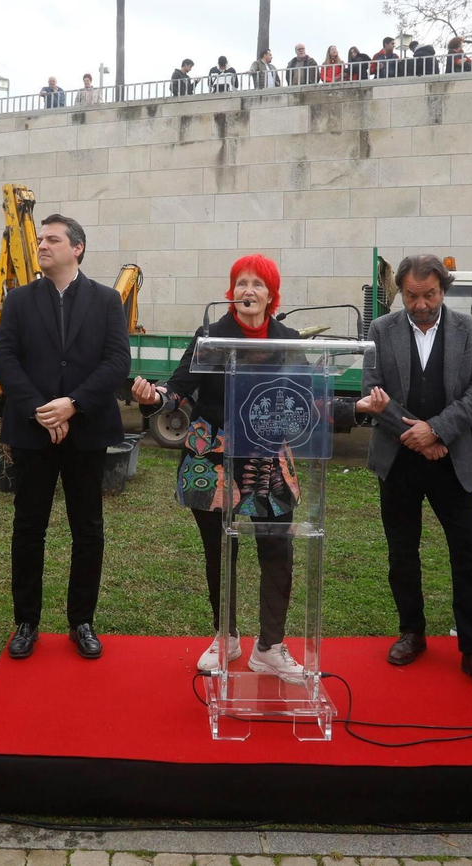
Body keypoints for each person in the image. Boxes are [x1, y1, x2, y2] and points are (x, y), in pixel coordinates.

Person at [133, 255, 369, 680]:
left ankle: (270, 646)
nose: (247, 291)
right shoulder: (209, 337)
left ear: (271, 295)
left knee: (277, 551)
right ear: (231, 292)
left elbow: (309, 402)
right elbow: (180, 392)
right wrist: (156, 398)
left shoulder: (290, 340)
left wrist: (355, 408)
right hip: (214, 461)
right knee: (220, 551)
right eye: (240, 283)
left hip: (268, 464)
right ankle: (226, 636)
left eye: (257, 284)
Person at [362, 255, 472, 695]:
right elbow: (374, 393)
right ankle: (412, 632)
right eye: (411, 296)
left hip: (454, 460)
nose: (420, 304)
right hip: (399, 461)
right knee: (402, 553)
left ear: (444, 290)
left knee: (470, 555)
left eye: (429, 295)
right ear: (400, 293)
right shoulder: (381, 330)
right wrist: (417, 435)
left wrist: (438, 430)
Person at [0, 214, 131, 661]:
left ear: (78, 248)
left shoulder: (108, 301)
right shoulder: (17, 301)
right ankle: (26, 621)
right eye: (41, 240)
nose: (42, 246)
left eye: (52, 239)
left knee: (87, 528)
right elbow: (5, 359)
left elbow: (116, 363)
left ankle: (82, 620)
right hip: (33, 433)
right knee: (28, 528)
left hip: (86, 430)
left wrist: (72, 404)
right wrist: (42, 410)